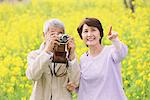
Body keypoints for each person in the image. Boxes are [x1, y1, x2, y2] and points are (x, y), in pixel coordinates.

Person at [26, 18, 80, 100]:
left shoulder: (69, 56)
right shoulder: (35, 55)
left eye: (60, 34)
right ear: (44, 35)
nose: (57, 37)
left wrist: (71, 54)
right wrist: (47, 51)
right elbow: (32, 75)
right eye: (52, 34)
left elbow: (76, 81)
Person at [76, 18, 128, 100]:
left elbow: (121, 53)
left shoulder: (111, 52)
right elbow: (84, 88)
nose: (89, 34)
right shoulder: (83, 59)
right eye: (85, 31)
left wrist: (115, 40)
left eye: (93, 30)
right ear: (81, 36)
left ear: (100, 34)